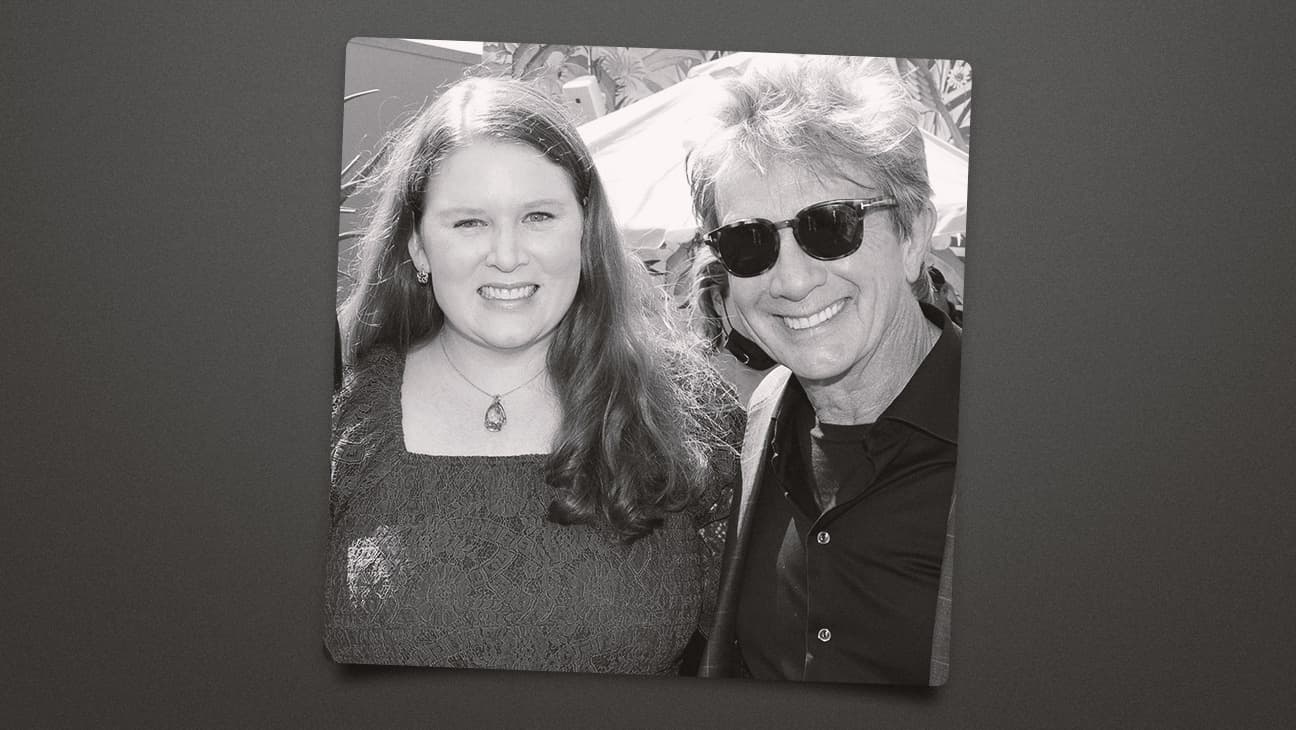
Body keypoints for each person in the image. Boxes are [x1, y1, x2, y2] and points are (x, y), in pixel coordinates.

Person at [325, 77, 742, 675]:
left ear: (585, 230)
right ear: (417, 245)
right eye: (468, 222)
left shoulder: (688, 411)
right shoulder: (337, 411)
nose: (507, 255)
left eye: (538, 216)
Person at [688, 56, 960, 685]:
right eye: (749, 242)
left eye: (830, 226)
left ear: (914, 236)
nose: (791, 280)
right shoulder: (760, 422)